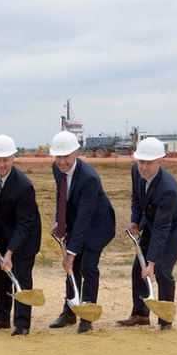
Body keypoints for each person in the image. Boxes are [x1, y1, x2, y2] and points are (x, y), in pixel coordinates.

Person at [118, 137, 177, 331]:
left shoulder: (167, 189)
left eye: (149, 162)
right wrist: (136, 220)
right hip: (153, 223)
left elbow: (163, 228)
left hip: (176, 230)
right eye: (141, 161)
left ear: (160, 161)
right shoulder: (136, 172)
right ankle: (141, 314)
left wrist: (151, 263)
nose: (143, 167)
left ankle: (165, 319)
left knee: (161, 271)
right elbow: (137, 197)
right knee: (139, 268)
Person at [48, 130, 115, 334]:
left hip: (98, 225)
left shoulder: (89, 178)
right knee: (72, 269)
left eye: (66, 157)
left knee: (87, 267)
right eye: (58, 157)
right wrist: (60, 223)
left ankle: (87, 316)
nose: (62, 162)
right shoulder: (56, 168)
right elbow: (62, 195)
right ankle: (69, 312)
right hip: (77, 220)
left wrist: (71, 252)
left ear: (76, 154)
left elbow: (85, 217)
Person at [0, 135, 42, 336]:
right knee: (0, 276)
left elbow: (24, 224)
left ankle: (22, 323)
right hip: (2, 232)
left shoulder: (24, 185)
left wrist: (10, 253)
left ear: (13, 159)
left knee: (21, 277)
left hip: (25, 236)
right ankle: (2, 317)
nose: (1, 164)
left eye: (5, 160)